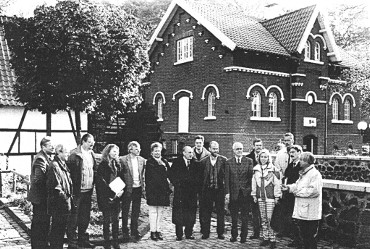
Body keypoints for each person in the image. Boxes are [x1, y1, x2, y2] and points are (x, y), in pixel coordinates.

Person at [282, 152, 323, 249]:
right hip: (304, 211)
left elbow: (314, 191)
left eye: (301, 160)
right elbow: (298, 185)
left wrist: (296, 192)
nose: (299, 162)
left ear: (307, 161)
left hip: (310, 212)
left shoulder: (314, 174)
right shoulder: (305, 173)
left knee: (309, 237)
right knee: (305, 236)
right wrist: (288, 188)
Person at [67, 133, 97, 249]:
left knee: (85, 217)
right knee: (73, 218)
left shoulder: (91, 154)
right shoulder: (75, 155)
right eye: (89, 142)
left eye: (93, 142)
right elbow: (69, 174)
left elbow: (94, 170)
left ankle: (82, 240)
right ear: (83, 142)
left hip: (88, 191)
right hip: (77, 192)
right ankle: (72, 243)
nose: (92, 144)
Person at [251, 149, 282, 249]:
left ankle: (272, 239)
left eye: (265, 157)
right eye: (261, 157)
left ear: (269, 158)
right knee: (263, 218)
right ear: (258, 158)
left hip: (270, 198)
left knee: (270, 219)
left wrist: (277, 196)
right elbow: (254, 184)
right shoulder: (256, 169)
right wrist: (254, 195)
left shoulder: (274, 170)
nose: (263, 159)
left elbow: (277, 184)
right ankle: (265, 237)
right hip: (261, 197)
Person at [169, 146, 200, 241]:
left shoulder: (195, 163)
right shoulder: (177, 162)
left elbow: (198, 177)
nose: (191, 154)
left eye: (192, 152)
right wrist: (177, 184)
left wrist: (196, 188)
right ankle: (179, 234)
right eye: (189, 152)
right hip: (180, 193)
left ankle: (189, 233)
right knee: (179, 213)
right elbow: (171, 175)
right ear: (184, 153)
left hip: (191, 193)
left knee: (190, 213)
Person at [28, 136, 54, 249]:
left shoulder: (46, 157)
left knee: (43, 222)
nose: (53, 147)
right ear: (43, 147)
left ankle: (42, 244)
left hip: (43, 197)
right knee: (39, 223)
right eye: (50, 146)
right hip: (40, 198)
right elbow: (39, 179)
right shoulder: (40, 159)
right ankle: (38, 246)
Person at [225, 142, 254, 243]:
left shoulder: (249, 161)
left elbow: (251, 178)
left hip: (245, 194)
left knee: (245, 216)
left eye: (241, 149)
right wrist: (227, 193)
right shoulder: (229, 162)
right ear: (233, 150)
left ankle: (243, 236)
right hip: (234, 194)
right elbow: (227, 179)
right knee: (234, 217)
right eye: (237, 149)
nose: (239, 151)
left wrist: (250, 190)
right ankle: (234, 235)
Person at [95, 144, 122, 249]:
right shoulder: (103, 165)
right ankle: (107, 242)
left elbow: (121, 178)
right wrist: (110, 194)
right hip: (106, 196)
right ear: (108, 152)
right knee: (106, 220)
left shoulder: (117, 164)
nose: (116, 153)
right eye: (114, 151)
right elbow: (101, 182)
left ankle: (115, 241)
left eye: (117, 152)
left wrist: (120, 191)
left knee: (115, 220)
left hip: (117, 195)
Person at [46, 144, 73, 249]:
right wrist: (65, 199)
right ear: (59, 153)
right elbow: (57, 187)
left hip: (64, 203)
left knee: (60, 230)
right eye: (66, 152)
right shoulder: (54, 166)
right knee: (57, 230)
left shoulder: (62, 164)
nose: (68, 154)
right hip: (59, 204)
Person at [199, 141, 227, 240]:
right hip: (207, 191)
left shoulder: (223, 161)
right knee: (206, 212)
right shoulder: (203, 161)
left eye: (217, 148)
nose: (216, 150)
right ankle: (206, 233)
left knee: (220, 212)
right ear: (209, 149)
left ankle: (220, 233)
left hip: (219, 190)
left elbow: (226, 177)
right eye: (214, 148)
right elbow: (200, 178)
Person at [119, 141, 146, 241]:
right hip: (127, 189)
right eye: (136, 148)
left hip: (138, 188)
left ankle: (134, 230)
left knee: (136, 210)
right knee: (125, 210)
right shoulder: (123, 160)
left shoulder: (142, 160)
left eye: (139, 148)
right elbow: (120, 175)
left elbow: (142, 175)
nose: (138, 150)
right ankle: (125, 231)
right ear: (130, 149)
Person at [145, 142, 171, 241]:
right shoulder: (149, 163)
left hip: (163, 190)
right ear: (152, 152)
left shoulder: (165, 161)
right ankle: (153, 231)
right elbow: (148, 178)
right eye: (155, 151)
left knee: (160, 212)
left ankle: (158, 230)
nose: (157, 153)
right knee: (153, 212)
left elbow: (169, 174)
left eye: (159, 151)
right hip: (153, 190)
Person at [282, 145, 303, 247]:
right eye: (290, 152)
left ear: (299, 153)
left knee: (298, 219)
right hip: (289, 195)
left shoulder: (303, 166)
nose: (291, 154)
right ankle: (295, 238)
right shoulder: (290, 165)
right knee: (291, 216)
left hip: (299, 195)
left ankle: (299, 240)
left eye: (294, 152)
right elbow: (286, 177)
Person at [245, 138, 263, 239]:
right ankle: (256, 232)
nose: (259, 147)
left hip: (263, 189)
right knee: (255, 211)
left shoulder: (265, 157)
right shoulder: (248, 158)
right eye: (257, 145)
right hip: (252, 188)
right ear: (253, 146)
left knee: (264, 212)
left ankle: (265, 233)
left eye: (260, 145)